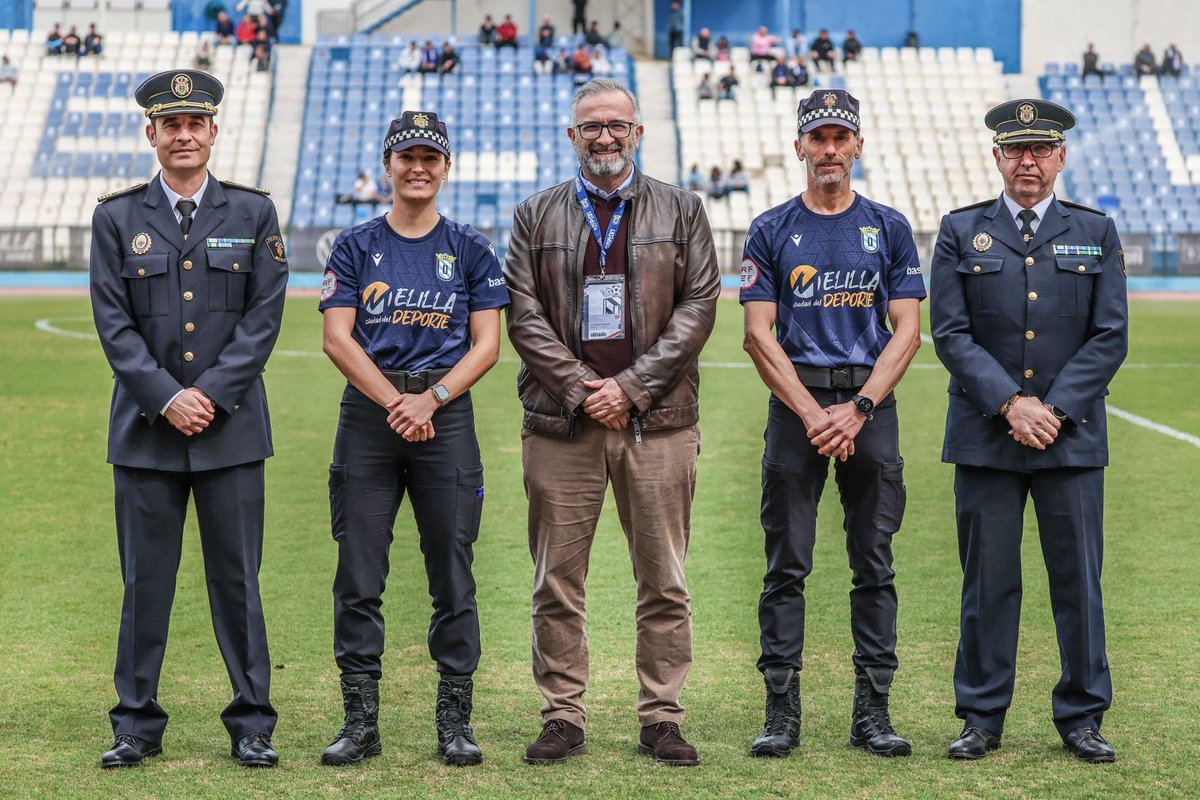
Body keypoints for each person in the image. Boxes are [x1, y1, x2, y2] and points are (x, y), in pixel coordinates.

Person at [504, 78, 719, 768]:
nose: (604, 136)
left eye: (616, 125)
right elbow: (523, 315)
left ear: (638, 132)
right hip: (560, 425)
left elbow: (699, 308)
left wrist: (628, 387)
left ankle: (661, 716)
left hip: (657, 422)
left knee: (663, 579)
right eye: (590, 126)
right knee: (556, 583)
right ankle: (563, 714)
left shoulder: (682, 210)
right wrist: (580, 388)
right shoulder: (535, 215)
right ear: (572, 135)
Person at [89, 69, 288, 770]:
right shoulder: (115, 217)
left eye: (194, 123)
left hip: (231, 430)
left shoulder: (254, 213)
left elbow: (264, 318)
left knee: (238, 581)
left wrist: (209, 394)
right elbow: (113, 326)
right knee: (146, 584)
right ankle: (136, 724)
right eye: (169, 125)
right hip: (147, 433)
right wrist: (167, 396)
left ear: (212, 132)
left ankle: (252, 721)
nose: (182, 135)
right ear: (152, 134)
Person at [930, 98, 1127, 764]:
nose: (1027, 161)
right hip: (988, 435)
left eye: (1040, 150)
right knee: (987, 582)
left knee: (1078, 581)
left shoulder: (1095, 233)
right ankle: (981, 717)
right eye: (1015, 150)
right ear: (997, 158)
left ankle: (1082, 716)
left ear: (1061, 157)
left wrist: (1054, 409)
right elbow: (950, 333)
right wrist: (1013, 403)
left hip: (1070, 439)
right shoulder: (961, 231)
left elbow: (1109, 337)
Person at [317, 110, 508, 769]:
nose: (418, 167)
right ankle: (360, 724)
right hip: (372, 416)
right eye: (406, 157)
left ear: (446, 166)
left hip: (444, 415)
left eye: (430, 157)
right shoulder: (354, 244)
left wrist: (432, 398)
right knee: (359, 573)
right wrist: (397, 400)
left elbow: (488, 344)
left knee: (452, 573)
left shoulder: (474, 248)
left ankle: (455, 723)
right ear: (388, 165)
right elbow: (337, 337)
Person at [740, 88, 925, 759]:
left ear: (857, 146)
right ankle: (780, 714)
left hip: (868, 409)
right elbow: (759, 337)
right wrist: (817, 414)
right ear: (799, 147)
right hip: (800, 411)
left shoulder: (889, 226)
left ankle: (872, 714)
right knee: (785, 565)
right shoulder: (769, 228)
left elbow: (907, 331)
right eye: (817, 138)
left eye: (840, 138)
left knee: (873, 563)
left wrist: (861, 409)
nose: (829, 150)